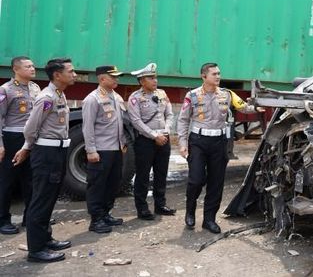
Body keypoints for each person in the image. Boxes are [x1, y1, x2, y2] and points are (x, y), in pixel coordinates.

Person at [176, 63, 261, 233]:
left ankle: (209, 219)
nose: (218, 76)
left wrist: (257, 108)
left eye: (219, 73)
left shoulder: (227, 94)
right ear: (203, 76)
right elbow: (183, 120)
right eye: (214, 74)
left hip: (219, 142)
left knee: (216, 182)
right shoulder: (192, 95)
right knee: (196, 180)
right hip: (198, 141)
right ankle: (190, 212)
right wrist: (183, 143)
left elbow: (243, 106)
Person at [14, 58, 76, 263]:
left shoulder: (59, 94)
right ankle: (36, 249)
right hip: (46, 154)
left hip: (58, 151)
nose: (74, 75)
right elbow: (30, 129)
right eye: (71, 71)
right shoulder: (46, 97)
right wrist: (27, 148)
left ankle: (45, 238)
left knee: (50, 198)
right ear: (57, 75)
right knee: (40, 200)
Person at [127, 63, 176, 220]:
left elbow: (170, 115)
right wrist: (154, 136)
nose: (155, 80)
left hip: (164, 138)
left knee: (161, 174)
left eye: (155, 77)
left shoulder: (162, 93)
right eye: (151, 78)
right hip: (146, 142)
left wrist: (166, 131)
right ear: (142, 81)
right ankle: (142, 209)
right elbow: (136, 121)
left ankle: (160, 205)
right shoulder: (135, 98)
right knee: (142, 175)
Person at [82, 65, 126, 234]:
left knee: (113, 183)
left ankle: (106, 213)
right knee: (97, 184)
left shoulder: (116, 97)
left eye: (117, 76)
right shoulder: (92, 99)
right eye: (113, 77)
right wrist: (91, 150)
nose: (117, 80)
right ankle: (96, 219)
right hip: (101, 150)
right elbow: (88, 127)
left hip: (116, 149)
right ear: (102, 79)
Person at [0, 56, 40, 235]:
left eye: (32, 66)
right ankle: (2, 219)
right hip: (12, 138)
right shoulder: (6, 90)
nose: (32, 69)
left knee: (31, 179)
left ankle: (30, 217)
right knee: (7, 180)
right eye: (28, 66)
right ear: (16, 69)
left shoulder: (35, 87)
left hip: (30, 138)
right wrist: (0, 144)